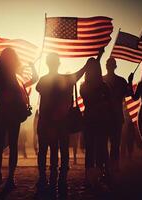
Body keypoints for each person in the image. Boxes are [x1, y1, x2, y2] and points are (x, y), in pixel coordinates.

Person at [0, 48, 37, 191]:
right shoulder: (15, 75)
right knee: (13, 146)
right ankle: (10, 177)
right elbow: (34, 79)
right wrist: (32, 66)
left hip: (1, 114)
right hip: (14, 115)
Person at [36, 53, 88, 197]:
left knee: (44, 151)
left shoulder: (43, 81)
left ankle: (44, 179)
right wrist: (94, 60)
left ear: (47, 64)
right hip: (61, 122)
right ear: (58, 64)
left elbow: (39, 89)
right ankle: (61, 179)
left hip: (46, 122)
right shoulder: (64, 79)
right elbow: (79, 74)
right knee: (61, 151)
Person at [80, 58, 113, 185]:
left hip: (89, 119)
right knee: (102, 147)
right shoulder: (104, 86)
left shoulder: (84, 86)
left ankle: (89, 176)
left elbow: (87, 98)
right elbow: (109, 104)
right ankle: (102, 173)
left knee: (90, 148)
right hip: (102, 119)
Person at [103, 58, 129, 171]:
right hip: (116, 117)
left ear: (106, 66)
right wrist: (130, 82)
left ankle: (107, 168)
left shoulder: (101, 80)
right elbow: (128, 94)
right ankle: (113, 168)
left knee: (104, 145)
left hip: (105, 117)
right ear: (115, 66)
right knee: (115, 145)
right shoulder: (122, 81)